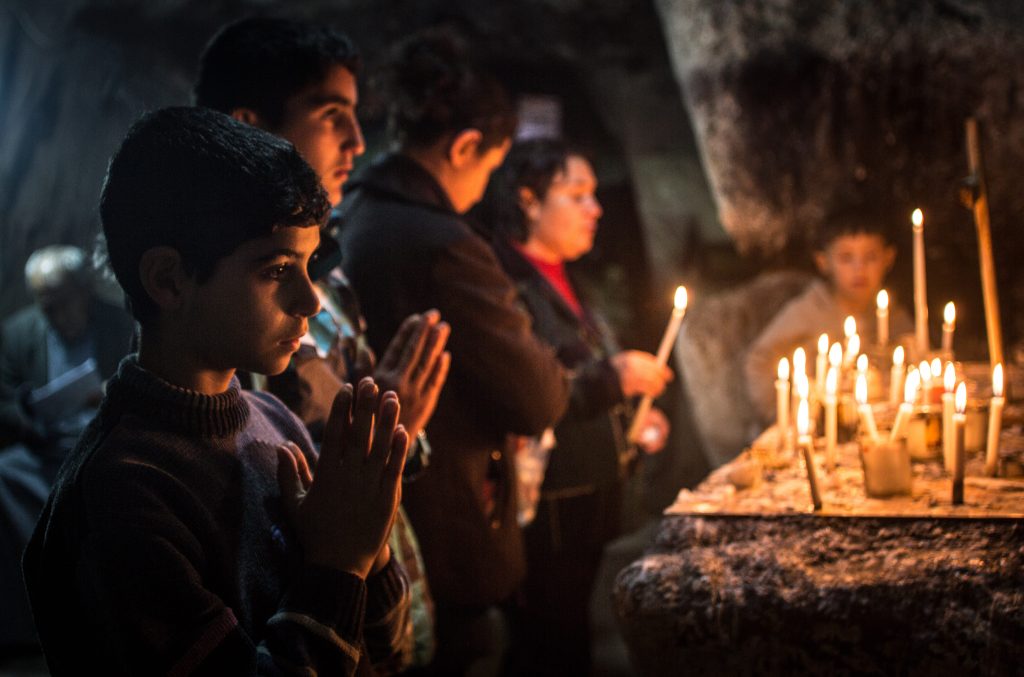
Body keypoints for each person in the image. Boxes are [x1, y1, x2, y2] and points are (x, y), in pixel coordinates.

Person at [23, 106, 412, 675]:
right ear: (169, 279)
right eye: (278, 270)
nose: (310, 301)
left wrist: (369, 551)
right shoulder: (124, 493)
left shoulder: (274, 420)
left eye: (309, 265)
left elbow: (385, 656)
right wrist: (337, 566)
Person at [194, 18, 450, 669]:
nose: (358, 143)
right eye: (332, 115)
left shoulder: (326, 275)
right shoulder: (220, 310)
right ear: (249, 124)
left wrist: (393, 425)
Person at [338, 30, 571, 674]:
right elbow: (537, 396)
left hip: (378, 519)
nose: (483, 188)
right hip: (448, 523)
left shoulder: (353, 212)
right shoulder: (444, 244)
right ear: (467, 146)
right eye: (490, 167)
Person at [474, 138, 672, 675]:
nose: (596, 207)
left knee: (572, 628)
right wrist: (615, 377)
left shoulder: (565, 275)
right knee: (549, 641)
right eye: (577, 194)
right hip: (545, 504)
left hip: (586, 496)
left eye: (594, 193)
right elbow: (530, 389)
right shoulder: (502, 283)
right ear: (529, 200)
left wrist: (634, 413)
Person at [0, 245, 134, 651]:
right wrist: (27, 412)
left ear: (84, 290)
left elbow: (147, 376)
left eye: (62, 303)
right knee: (3, 475)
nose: (55, 315)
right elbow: (3, 397)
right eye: (46, 305)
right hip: (44, 447)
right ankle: (25, 617)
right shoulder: (20, 332)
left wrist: (112, 395)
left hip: (103, 443)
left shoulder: (119, 325)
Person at [744, 206, 913, 425]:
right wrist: (781, 414)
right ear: (824, 262)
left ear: (888, 258)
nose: (859, 269)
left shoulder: (889, 312)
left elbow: (913, 349)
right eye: (846, 258)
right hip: (812, 425)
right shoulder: (809, 310)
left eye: (870, 257)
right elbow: (759, 359)